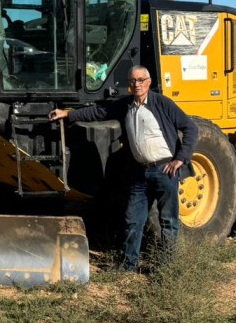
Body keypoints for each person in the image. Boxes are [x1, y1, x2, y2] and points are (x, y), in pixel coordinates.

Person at [49, 66, 198, 272]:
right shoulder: (125, 105)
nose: (136, 84)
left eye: (140, 80)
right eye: (133, 81)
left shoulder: (162, 103)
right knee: (133, 220)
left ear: (149, 82)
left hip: (164, 171)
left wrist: (180, 158)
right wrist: (67, 114)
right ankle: (129, 266)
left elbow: (190, 128)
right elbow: (98, 112)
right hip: (139, 173)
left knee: (168, 221)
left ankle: (167, 268)